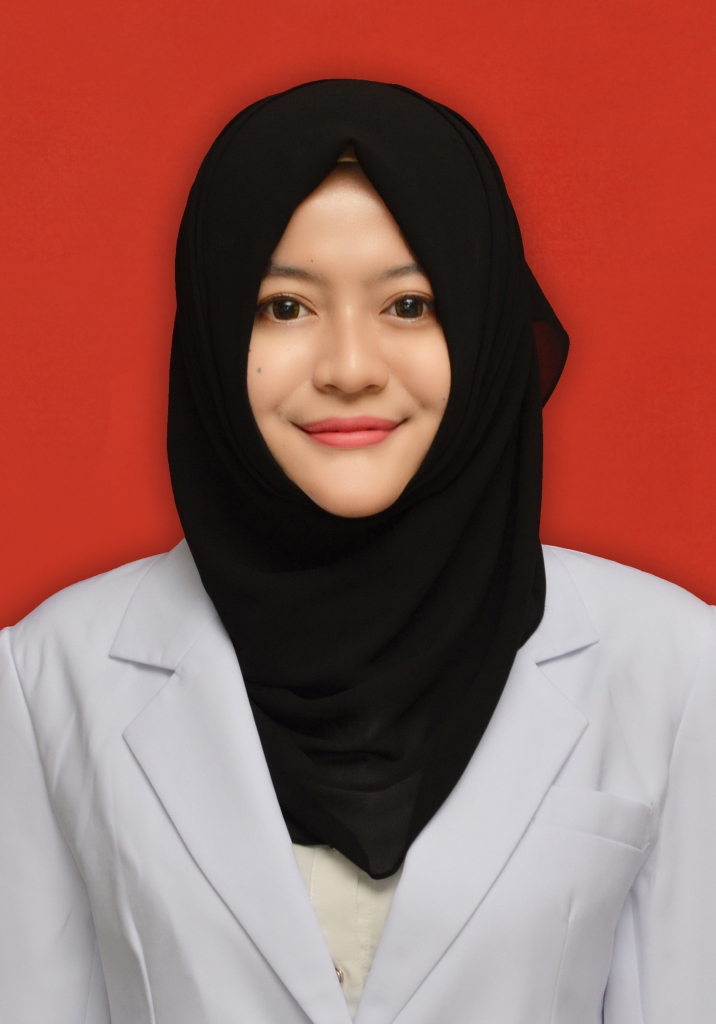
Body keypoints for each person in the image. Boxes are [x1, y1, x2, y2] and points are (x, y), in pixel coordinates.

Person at [1, 79, 714, 1024]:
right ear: (213, 329)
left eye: (410, 304)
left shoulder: (670, 665)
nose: (347, 367)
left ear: (485, 323)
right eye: (284, 307)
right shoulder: (49, 674)